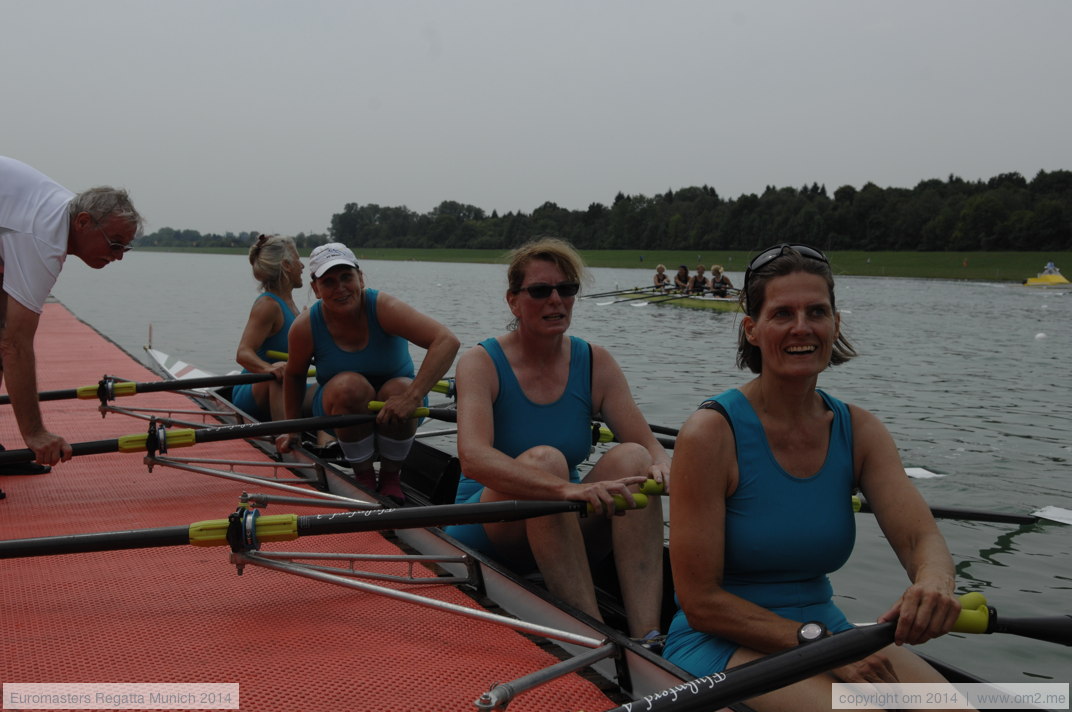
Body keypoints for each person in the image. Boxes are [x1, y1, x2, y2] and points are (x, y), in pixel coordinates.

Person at [663, 244, 967, 711]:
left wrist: (934, 583)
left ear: (835, 325)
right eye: (782, 313)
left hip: (827, 631)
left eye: (816, 312)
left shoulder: (860, 431)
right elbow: (700, 601)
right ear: (753, 330)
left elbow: (919, 539)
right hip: (718, 641)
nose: (801, 328)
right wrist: (818, 645)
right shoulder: (710, 433)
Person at [447, 237, 670, 646]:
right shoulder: (481, 362)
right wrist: (564, 487)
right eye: (540, 291)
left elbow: (648, 444)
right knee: (548, 460)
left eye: (567, 289)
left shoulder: (595, 361)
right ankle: (591, 633)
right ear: (514, 301)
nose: (556, 300)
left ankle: (647, 636)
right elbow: (473, 458)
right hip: (490, 526)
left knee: (633, 458)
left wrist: (662, 465)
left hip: (563, 512)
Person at [0, 156, 142, 494]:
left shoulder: (60, 216)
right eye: (115, 243)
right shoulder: (43, 239)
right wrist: (35, 434)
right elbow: (15, 344)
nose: (119, 255)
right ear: (82, 222)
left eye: (126, 247)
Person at [274, 243, 459, 502]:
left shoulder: (384, 307)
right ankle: (363, 477)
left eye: (346, 277)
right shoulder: (305, 326)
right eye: (329, 282)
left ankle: (391, 476)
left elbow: (447, 341)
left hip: (399, 406)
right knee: (351, 385)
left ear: (360, 278)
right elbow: (294, 376)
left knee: (400, 389)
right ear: (316, 289)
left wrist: (413, 396)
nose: (340, 288)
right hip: (338, 409)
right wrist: (292, 429)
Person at [231, 235, 313, 421]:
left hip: (286, 387)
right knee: (281, 371)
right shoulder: (268, 305)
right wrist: (269, 369)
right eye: (298, 259)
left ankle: (326, 446)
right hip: (253, 391)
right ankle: (288, 441)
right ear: (286, 265)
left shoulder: (291, 305)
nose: (302, 266)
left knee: (330, 388)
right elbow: (243, 353)